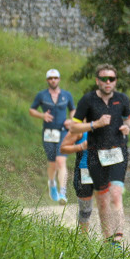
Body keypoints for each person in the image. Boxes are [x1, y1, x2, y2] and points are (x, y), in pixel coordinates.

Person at [68, 64, 130, 247]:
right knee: (103, 200)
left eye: (111, 79)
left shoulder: (122, 99)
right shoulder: (88, 101)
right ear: (97, 81)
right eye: (104, 79)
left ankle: (118, 238)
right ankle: (108, 241)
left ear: (115, 81)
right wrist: (94, 125)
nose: (108, 82)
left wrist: (127, 126)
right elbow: (74, 126)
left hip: (118, 151)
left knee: (115, 193)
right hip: (95, 154)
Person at [29, 69, 76, 203]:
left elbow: (73, 109)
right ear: (47, 80)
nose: (53, 80)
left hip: (63, 132)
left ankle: (63, 193)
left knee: (61, 161)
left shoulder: (66, 95)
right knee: (52, 163)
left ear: (59, 79)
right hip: (48, 133)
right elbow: (32, 110)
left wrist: (72, 120)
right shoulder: (41, 95)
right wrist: (42, 115)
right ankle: (52, 184)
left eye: (55, 78)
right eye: (50, 78)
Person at [59, 129, 93, 234]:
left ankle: (110, 242)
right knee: (85, 211)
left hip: (103, 171)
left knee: (107, 204)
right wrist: (81, 146)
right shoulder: (80, 128)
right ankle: (84, 239)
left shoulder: (108, 122)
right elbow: (63, 148)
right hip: (84, 171)